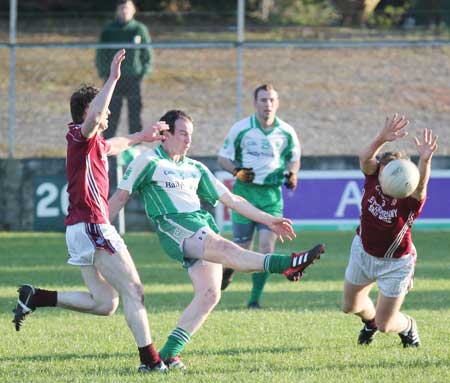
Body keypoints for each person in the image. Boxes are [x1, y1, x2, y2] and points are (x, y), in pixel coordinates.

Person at [108, 109, 325, 370]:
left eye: (191, 135)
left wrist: (268, 219)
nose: (188, 140)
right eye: (182, 134)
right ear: (165, 135)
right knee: (225, 248)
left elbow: (232, 199)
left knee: (210, 293)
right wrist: (97, 227)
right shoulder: (148, 161)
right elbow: (120, 197)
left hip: (199, 223)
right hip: (173, 225)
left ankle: (167, 355)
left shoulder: (195, 167)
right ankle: (286, 264)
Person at [12, 50, 169, 373]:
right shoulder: (79, 135)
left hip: (80, 230)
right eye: (103, 107)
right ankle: (151, 363)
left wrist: (141, 136)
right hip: (92, 227)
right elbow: (96, 119)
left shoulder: (95, 142)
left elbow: (115, 144)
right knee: (134, 291)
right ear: (87, 111)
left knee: (105, 303)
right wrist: (112, 78)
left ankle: (37, 297)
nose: (108, 113)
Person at [342, 114, 438, 348]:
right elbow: (365, 158)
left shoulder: (410, 199)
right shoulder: (372, 178)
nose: (389, 174)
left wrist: (424, 161)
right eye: (385, 168)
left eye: (396, 170)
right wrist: (381, 138)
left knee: (387, 324)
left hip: (395, 263)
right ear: (380, 169)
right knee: (351, 307)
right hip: (363, 252)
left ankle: (407, 326)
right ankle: (369, 321)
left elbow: (422, 185)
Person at [217, 84, 301, 309]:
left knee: (265, 249)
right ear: (255, 103)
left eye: (272, 100)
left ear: (278, 102)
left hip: (271, 197)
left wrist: (293, 173)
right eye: (263, 100)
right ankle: (227, 271)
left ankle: (254, 300)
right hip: (244, 195)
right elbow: (223, 158)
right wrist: (237, 171)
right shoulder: (241, 129)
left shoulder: (286, 131)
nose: (268, 104)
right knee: (241, 247)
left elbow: (294, 158)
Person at [95, 0, 152, 139]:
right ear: (117, 10)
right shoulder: (109, 30)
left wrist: (143, 71)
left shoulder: (139, 29)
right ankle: (107, 144)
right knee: (111, 111)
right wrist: (105, 72)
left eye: (127, 8)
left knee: (135, 111)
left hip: (133, 77)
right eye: (122, 8)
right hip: (113, 79)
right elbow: (101, 53)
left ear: (133, 10)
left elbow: (147, 53)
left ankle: (135, 142)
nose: (124, 11)